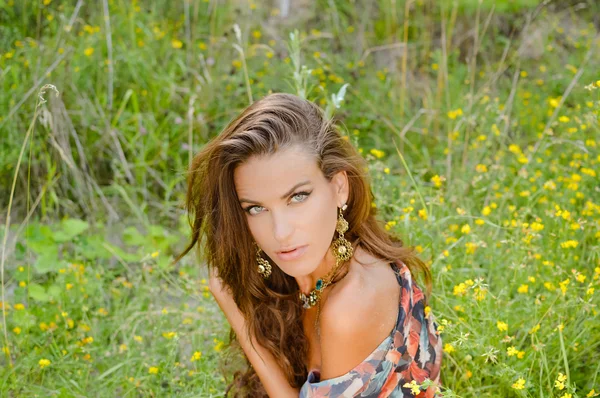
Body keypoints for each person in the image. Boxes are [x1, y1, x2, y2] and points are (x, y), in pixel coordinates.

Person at [173, 92, 443, 397]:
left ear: (339, 188)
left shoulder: (350, 305)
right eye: (256, 208)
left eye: (297, 197)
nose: (281, 232)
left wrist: (239, 318)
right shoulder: (308, 274)